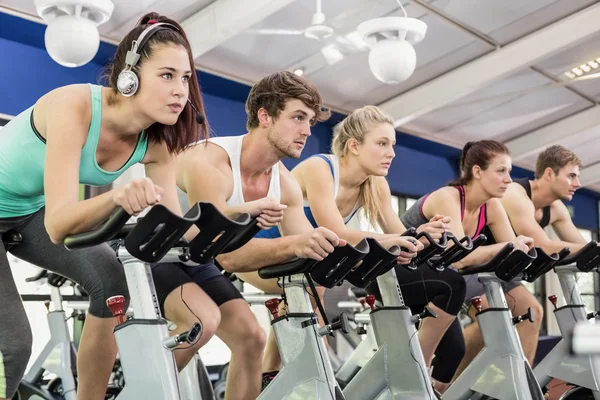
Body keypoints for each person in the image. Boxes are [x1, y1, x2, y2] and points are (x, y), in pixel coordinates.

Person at [151, 72, 422, 396]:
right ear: (264, 116)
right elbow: (230, 256)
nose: (307, 130)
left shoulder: (284, 182)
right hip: (151, 251)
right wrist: (299, 243)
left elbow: (312, 247)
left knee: (251, 338)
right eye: (297, 118)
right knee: (201, 323)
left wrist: (378, 252)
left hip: (197, 258)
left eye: (309, 120)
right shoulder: (212, 162)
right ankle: (147, 387)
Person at [0, 13, 210, 400]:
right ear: (129, 75)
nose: (181, 90)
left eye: (185, 78)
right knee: (12, 347)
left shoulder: (157, 145)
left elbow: (174, 227)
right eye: (167, 75)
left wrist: (229, 227)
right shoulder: (74, 106)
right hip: (39, 215)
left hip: (26, 210)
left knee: (112, 281)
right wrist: (117, 199)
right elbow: (60, 224)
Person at [270, 105, 457, 387]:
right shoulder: (319, 169)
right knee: (292, 348)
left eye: (392, 144)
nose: (391, 152)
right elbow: (336, 231)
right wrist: (401, 238)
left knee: (281, 354)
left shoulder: (375, 184)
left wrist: (422, 233)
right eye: (382, 143)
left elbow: (398, 234)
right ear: (354, 146)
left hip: (312, 266)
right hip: (272, 252)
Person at [400, 140, 536, 392]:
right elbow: (458, 256)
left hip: (438, 280)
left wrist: (526, 252)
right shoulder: (449, 197)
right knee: (454, 285)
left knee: (454, 352)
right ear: (477, 171)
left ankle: (433, 393)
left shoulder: (491, 206)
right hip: (400, 274)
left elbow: (510, 250)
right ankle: (414, 382)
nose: (509, 179)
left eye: (509, 171)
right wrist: (509, 247)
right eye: (501, 171)